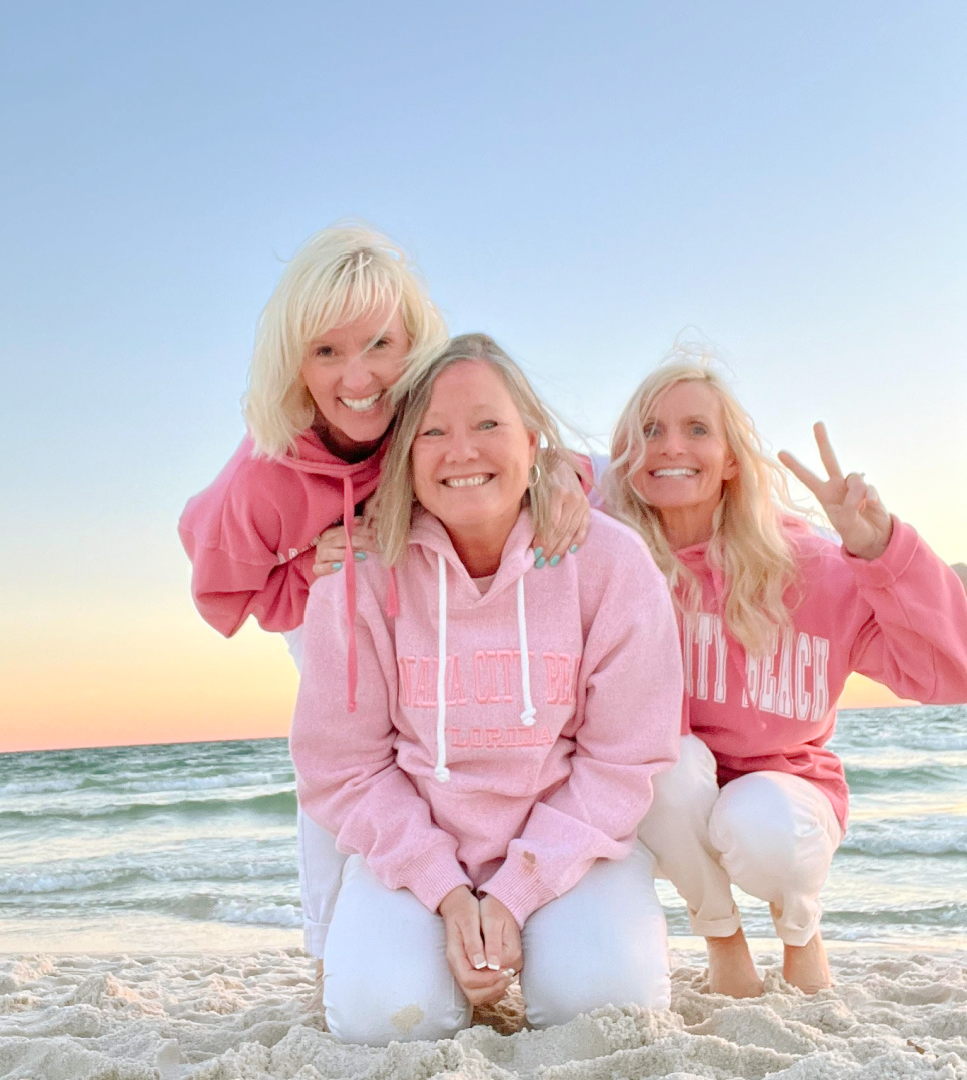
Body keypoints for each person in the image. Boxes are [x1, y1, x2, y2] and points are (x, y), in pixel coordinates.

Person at [178, 225, 588, 962]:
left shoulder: (428, 411)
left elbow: (523, 440)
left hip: (427, 593)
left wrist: (564, 480)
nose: (358, 376)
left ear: (416, 347)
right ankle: (329, 950)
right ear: (294, 363)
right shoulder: (262, 479)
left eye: (378, 345)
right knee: (344, 762)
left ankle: (482, 911)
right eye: (326, 351)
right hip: (330, 599)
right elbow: (218, 596)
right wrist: (310, 572)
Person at [290, 334, 682, 1044]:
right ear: (405, 457)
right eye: (432, 431)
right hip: (413, 852)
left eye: (488, 425)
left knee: (603, 1007)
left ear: (534, 443)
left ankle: (551, 946)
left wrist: (517, 888)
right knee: (387, 1020)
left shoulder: (611, 563)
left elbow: (623, 760)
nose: (460, 450)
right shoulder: (359, 573)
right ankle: (434, 962)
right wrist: (442, 890)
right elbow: (343, 766)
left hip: (566, 848)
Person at [597, 347, 967, 998]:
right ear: (628, 456)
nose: (669, 446)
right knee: (665, 765)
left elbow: (947, 671)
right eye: (649, 430)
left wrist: (882, 551)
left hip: (786, 795)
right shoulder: (616, 564)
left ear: (733, 461)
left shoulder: (811, 564)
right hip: (679, 793)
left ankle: (801, 932)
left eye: (697, 429)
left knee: (760, 821)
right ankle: (724, 942)